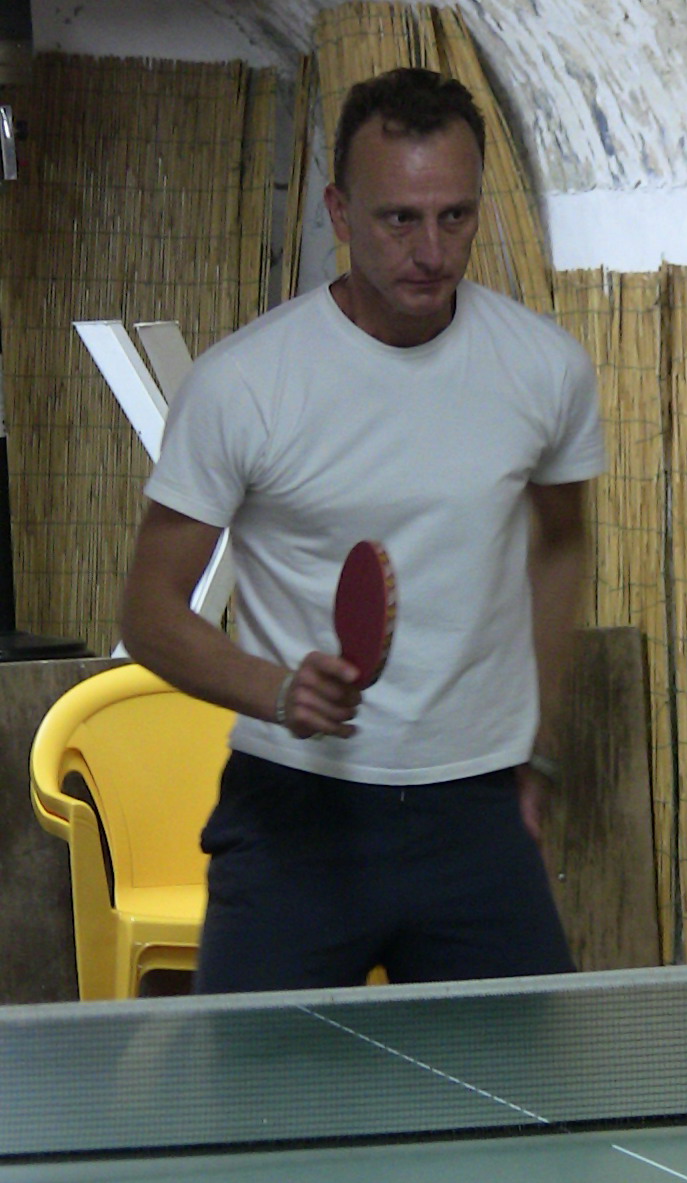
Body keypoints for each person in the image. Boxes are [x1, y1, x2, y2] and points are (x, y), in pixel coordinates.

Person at [121, 67, 606, 992]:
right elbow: (148, 612)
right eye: (398, 220)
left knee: (527, 1087)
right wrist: (275, 690)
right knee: (257, 1090)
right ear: (340, 213)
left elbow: (561, 542)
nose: (431, 249)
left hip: (477, 812)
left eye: (454, 216)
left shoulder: (545, 370)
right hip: (294, 812)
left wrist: (537, 745)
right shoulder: (243, 386)